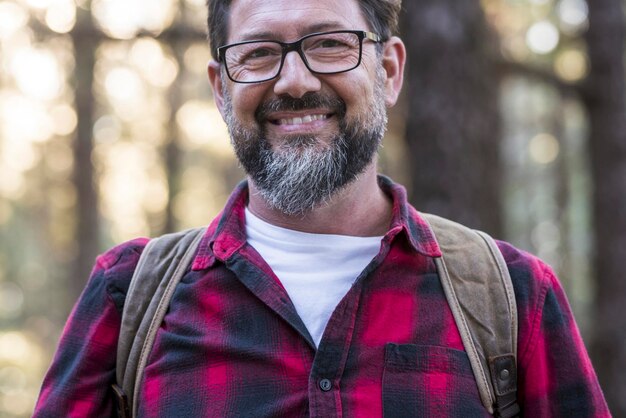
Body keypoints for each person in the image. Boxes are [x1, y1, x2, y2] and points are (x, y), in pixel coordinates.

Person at [34, 0, 610, 416]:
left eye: (329, 44)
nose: (293, 80)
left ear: (387, 71)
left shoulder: (512, 296)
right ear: (219, 88)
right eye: (258, 53)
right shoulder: (128, 295)